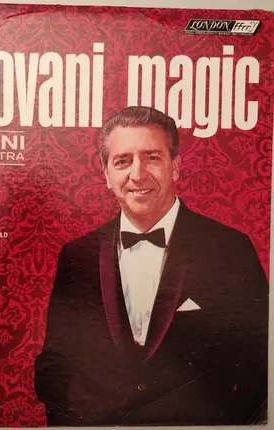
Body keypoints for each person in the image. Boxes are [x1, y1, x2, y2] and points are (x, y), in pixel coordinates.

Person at [34, 106, 268, 426]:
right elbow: (55, 367)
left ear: (176, 166)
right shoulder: (77, 255)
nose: (138, 174)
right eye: (123, 161)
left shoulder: (230, 249)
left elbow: (261, 362)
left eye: (152, 157)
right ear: (106, 174)